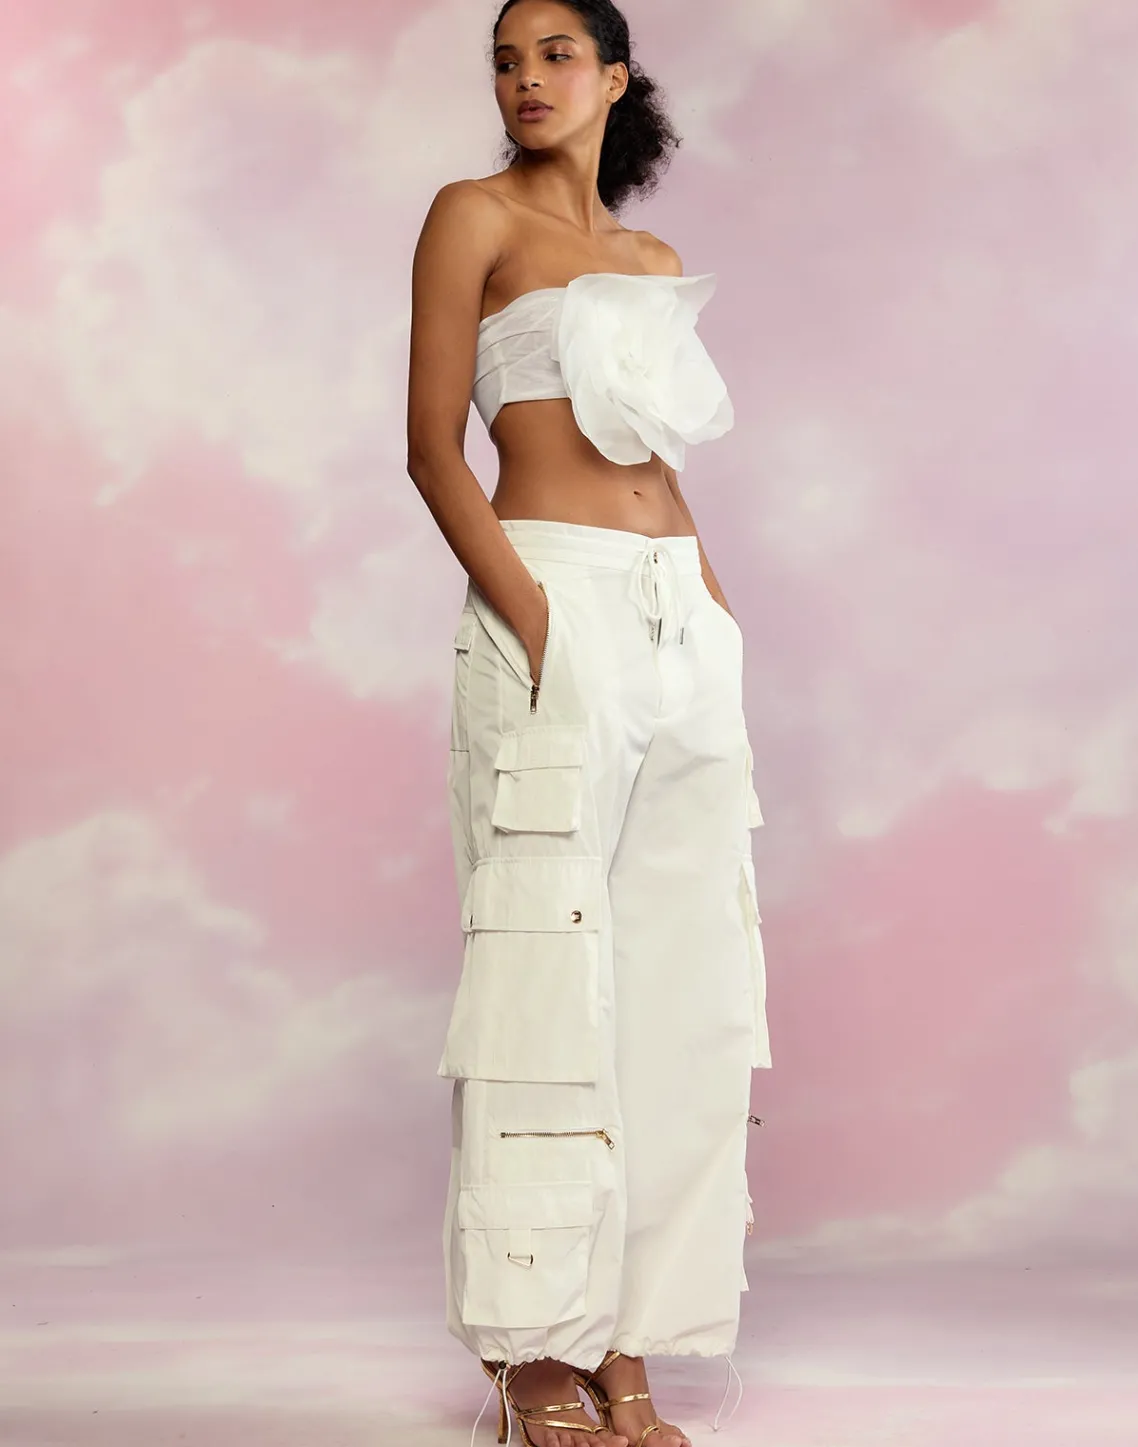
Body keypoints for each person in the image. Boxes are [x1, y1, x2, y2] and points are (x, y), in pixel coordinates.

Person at [406, 3, 771, 1444]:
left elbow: (661, 466)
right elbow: (433, 447)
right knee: (543, 974)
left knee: (682, 980)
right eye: (506, 59)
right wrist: (536, 616)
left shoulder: (650, 261)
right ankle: (532, 1353)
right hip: (551, 594)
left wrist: (715, 622)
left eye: (555, 54)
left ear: (615, 77)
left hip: (679, 614)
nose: (526, 79)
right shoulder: (472, 216)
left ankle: (632, 1341)